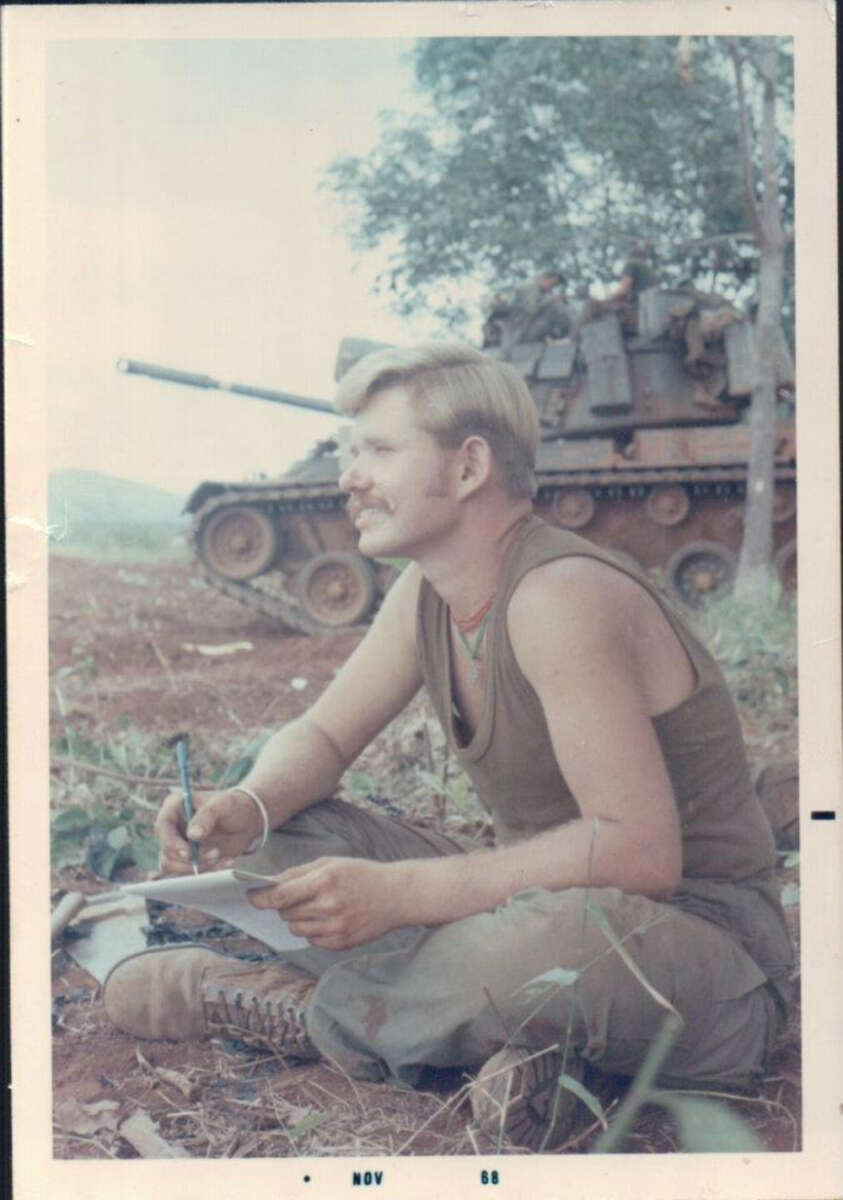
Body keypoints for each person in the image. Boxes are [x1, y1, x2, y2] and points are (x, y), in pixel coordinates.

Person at [103, 344, 793, 1151]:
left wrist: (402, 897)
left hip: (702, 955)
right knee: (282, 837)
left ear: (469, 468)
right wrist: (243, 806)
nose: (348, 477)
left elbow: (641, 855)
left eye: (378, 451)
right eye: (349, 451)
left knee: (554, 941)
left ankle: (287, 1004)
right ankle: (516, 1049)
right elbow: (324, 735)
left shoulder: (557, 596)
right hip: (533, 901)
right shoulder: (425, 593)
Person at [574, 244, 660, 335]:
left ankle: (573, 337)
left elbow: (623, 290)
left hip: (634, 313)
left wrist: (608, 300)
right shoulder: (652, 272)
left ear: (630, 256)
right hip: (644, 315)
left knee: (591, 304)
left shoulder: (632, 264)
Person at [483, 270, 571, 353]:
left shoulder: (539, 293)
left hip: (523, 332)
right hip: (518, 332)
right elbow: (530, 310)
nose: (551, 289)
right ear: (545, 278)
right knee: (554, 305)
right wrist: (550, 300)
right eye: (552, 284)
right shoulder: (530, 289)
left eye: (555, 286)